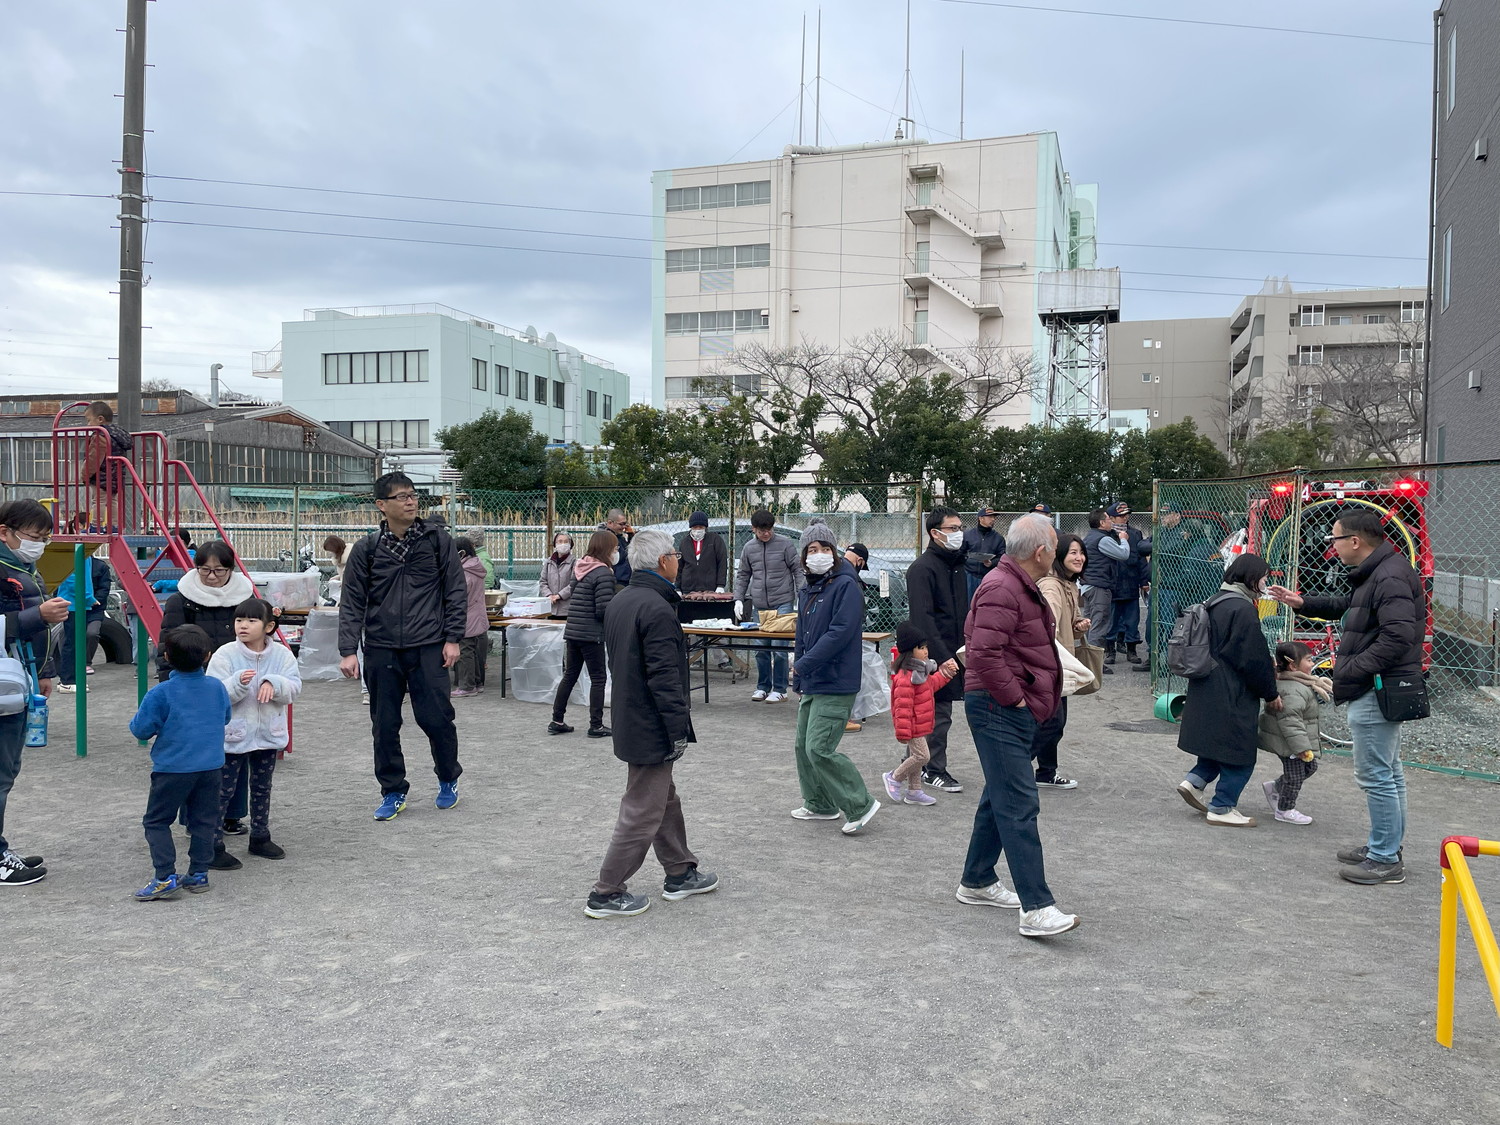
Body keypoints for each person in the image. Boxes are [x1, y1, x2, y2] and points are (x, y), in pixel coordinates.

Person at [1268, 507, 1423, 885]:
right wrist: (1303, 603)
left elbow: (1397, 637)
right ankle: (1385, 846)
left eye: (1334, 538)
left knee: (1377, 776)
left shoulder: (1388, 575)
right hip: (1378, 686)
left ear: (1354, 541)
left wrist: (1349, 671)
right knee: (1389, 772)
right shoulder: (1380, 571)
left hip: (1376, 688)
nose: (1331, 546)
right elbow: (1350, 607)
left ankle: (1385, 858)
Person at [584, 528, 717, 918]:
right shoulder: (656, 608)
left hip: (631, 716)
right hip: (651, 723)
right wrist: (677, 729)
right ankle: (607, 891)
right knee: (643, 809)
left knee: (663, 799)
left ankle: (680, 871)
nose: (679, 560)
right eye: (675, 555)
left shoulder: (623, 600)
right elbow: (664, 678)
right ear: (663, 561)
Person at [958, 516, 1080, 938]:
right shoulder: (1003, 587)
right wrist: (1016, 698)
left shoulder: (1015, 584)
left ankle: (977, 879)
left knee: (1002, 793)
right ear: (1041, 552)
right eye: (1056, 546)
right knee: (1019, 802)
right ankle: (1037, 907)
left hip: (1006, 706)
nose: (1059, 553)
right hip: (998, 707)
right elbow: (983, 653)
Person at [338, 472, 467, 821]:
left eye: (413, 495)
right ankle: (393, 791)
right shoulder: (367, 549)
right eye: (401, 496)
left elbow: (455, 591)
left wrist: (453, 638)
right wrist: (348, 649)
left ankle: (448, 779)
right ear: (382, 505)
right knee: (384, 725)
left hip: (429, 645)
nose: (410, 501)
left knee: (437, 719)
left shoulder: (437, 541)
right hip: (381, 647)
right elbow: (352, 601)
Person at [1175, 553, 1281, 828]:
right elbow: (1253, 658)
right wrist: (1270, 692)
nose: (1265, 583)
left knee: (1215, 743)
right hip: (1232, 689)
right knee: (1239, 754)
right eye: (1263, 578)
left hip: (1207, 684)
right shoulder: (1243, 609)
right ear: (1251, 578)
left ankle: (1194, 782)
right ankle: (1221, 806)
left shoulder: (1216, 600)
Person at [788, 523, 880, 835]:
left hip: (837, 681)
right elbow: (803, 634)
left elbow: (840, 633)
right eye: (812, 550)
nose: (819, 554)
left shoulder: (846, 586)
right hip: (813, 680)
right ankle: (819, 803)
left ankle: (860, 804)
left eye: (825, 548)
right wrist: (799, 675)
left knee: (819, 748)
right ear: (803, 556)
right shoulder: (808, 588)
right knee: (803, 746)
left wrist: (804, 664)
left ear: (835, 551)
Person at [128, 625, 230, 901]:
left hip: (172, 768)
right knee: (204, 821)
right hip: (211, 766)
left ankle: (165, 876)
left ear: (167, 657)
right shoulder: (217, 687)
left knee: (157, 821)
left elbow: (141, 730)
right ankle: (199, 873)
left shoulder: (161, 693)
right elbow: (225, 717)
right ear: (207, 656)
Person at [0, 500, 68, 887]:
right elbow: (25, 621)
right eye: (33, 536)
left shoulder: (24, 568)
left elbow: (37, 631)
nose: (39, 545)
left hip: (18, 679)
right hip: (5, 681)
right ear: (4, 532)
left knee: (7, 770)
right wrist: (36, 616)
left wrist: (44, 671)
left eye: (44, 538)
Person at [206, 598, 301, 869]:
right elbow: (215, 693)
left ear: (269, 626)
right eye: (239, 620)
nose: (243, 626)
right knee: (223, 790)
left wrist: (275, 683)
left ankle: (260, 836)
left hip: (268, 734)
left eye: (251, 620)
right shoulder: (225, 654)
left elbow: (295, 687)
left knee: (262, 787)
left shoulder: (282, 655)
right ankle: (211, 844)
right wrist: (237, 684)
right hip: (233, 735)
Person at [904, 506, 969, 794]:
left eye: (960, 528)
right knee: (936, 714)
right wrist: (943, 658)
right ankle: (933, 769)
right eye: (952, 528)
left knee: (932, 713)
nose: (958, 533)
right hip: (931, 656)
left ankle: (915, 763)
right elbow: (923, 619)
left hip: (955, 650)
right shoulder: (922, 569)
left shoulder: (957, 566)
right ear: (935, 533)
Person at [1034, 533, 1091, 791]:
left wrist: (1078, 626)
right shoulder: (1051, 586)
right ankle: (1015, 766)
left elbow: (1066, 625)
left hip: (1060, 663)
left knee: (1055, 721)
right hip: (1051, 663)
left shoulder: (1069, 585)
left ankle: (1046, 772)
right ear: (1060, 556)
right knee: (1052, 722)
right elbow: (1048, 626)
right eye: (1073, 553)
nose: (1080, 558)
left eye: (1082, 552)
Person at [550, 530, 617, 737]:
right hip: (591, 633)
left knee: (570, 675)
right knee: (598, 678)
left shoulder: (580, 567)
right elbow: (603, 609)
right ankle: (596, 725)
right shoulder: (603, 573)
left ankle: (556, 720)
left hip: (573, 630)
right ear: (607, 549)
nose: (616, 552)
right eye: (615, 548)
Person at [157, 540, 255, 682]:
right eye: (204, 569)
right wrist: (170, 684)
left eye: (219, 570)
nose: (211, 576)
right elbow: (167, 646)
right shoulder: (180, 601)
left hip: (240, 678)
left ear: (230, 569)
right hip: (193, 679)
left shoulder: (245, 597)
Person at [884, 620, 956, 807]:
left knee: (916, 757)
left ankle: (914, 791)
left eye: (925, 647)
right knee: (922, 757)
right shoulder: (906, 678)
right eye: (920, 648)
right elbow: (902, 708)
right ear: (909, 651)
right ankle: (894, 777)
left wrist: (945, 674)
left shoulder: (920, 671)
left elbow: (931, 685)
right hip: (912, 727)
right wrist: (903, 732)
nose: (925, 651)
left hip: (920, 725)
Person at [733, 510, 802, 704]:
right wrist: (738, 599)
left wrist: (801, 596)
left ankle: (780, 689)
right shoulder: (749, 548)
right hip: (760, 605)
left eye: (769, 529)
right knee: (761, 648)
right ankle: (763, 686)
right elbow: (743, 574)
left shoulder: (785, 544)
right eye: (762, 530)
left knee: (780, 648)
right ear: (754, 529)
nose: (766, 533)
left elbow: (797, 569)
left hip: (783, 601)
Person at [1257, 641, 1329, 826]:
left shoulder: (1299, 683)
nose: (1312, 664)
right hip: (1290, 744)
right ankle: (1285, 810)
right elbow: (1291, 722)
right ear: (1293, 665)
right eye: (1309, 660)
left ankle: (1275, 787)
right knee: (1295, 777)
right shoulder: (1293, 690)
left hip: (1294, 741)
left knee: (1310, 768)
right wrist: (1301, 748)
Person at [1080, 508, 1130, 673]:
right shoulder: (1103, 539)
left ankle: (1087, 662)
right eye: (1109, 519)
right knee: (1099, 625)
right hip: (1099, 587)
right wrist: (1123, 540)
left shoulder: (1089, 537)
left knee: (1089, 623)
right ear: (1102, 523)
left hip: (1088, 585)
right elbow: (1123, 554)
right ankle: (1094, 665)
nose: (1112, 522)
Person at [1100, 502, 1149, 668]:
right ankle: (1110, 651)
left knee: (1132, 621)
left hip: (1131, 582)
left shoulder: (1135, 534)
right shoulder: (1106, 535)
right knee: (1111, 621)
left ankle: (1131, 650)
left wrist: (1144, 581)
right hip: (1113, 584)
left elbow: (1141, 559)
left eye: (1127, 514)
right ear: (1112, 518)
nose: (1125, 518)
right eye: (1121, 515)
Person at [56, 551, 112, 693]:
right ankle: (67, 681)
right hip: (74, 603)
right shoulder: (75, 552)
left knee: (76, 643)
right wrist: (88, 597)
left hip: (80, 603)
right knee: (72, 643)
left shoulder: (84, 554)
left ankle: (74, 678)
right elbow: (71, 578)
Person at [842, 543, 879, 733]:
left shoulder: (835, 569)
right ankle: (843, 718)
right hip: (845, 634)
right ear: (860, 560)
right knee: (846, 673)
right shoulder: (849, 576)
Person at [79, 400, 132, 522]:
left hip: (101, 476)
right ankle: (114, 525)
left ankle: (96, 525)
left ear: (100, 419)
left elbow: (94, 459)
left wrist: (85, 475)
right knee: (112, 500)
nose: (88, 425)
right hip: (116, 476)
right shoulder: (118, 434)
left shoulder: (100, 435)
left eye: (89, 420)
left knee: (98, 501)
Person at [451, 537, 490, 697]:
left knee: (465, 651)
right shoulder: (476, 566)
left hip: (467, 616)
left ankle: (467, 686)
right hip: (477, 615)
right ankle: (477, 683)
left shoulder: (465, 571)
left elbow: (459, 595)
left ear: (461, 553)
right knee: (473, 651)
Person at [675, 511, 727, 595]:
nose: (698, 530)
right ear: (691, 527)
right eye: (695, 527)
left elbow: (722, 562)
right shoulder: (684, 543)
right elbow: (679, 566)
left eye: (701, 527)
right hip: (688, 588)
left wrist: (720, 585)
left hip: (710, 589)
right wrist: (677, 587)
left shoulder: (715, 540)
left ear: (705, 527)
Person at [962, 506, 1006, 599]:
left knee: (986, 602)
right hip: (970, 576)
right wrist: (967, 560)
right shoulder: (968, 535)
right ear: (981, 518)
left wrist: (991, 563)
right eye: (990, 517)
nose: (993, 519)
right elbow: (961, 553)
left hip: (989, 577)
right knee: (969, 602)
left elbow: (1002, 557)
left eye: (994, 517)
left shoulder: (998, 538)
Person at [539, 531, 579, 613]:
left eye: (566, 542)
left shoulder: (575, 563)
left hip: (567, 609)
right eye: (560, 541)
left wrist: (559, 595)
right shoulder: (549, 562)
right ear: (555, 544)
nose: (563, 544)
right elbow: (543, 581)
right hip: (549, 608)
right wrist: (549, 595)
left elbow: (574, 584)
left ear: (570, 545)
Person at [599, 509, 635, 586]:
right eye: (621, 524)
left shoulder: (619, 537)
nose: (624, 527)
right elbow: (622, 557)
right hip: (617, 580)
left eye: (625, 524)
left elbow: (629, 552)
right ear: (610, 523)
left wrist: (631, 536)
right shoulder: (605, 538)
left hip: (625, 579)